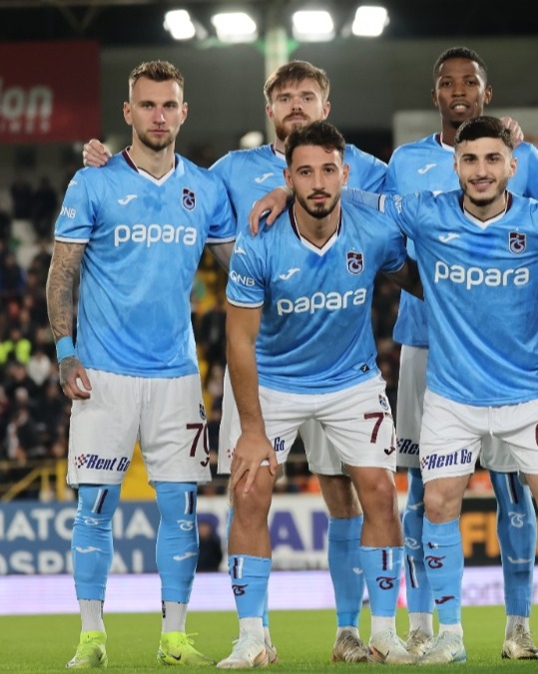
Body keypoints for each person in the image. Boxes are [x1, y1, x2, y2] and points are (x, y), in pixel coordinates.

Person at [82, 60, 386, 663]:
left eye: (307, 96)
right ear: (268, 109)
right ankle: (256, 635)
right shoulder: (227, 172)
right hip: (263, 365)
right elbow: (167, 182)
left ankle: (350, 631)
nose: (296, 105)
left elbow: (410, 209)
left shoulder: (364, 168)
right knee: (248, 494)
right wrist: (108, 166)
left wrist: (290, 190)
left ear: (325, 107)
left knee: (346, 496)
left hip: (340, 362)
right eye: (284, 97)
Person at [48, 60, 236, 668]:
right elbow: (62, 272)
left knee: (181, 507)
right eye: (148, 105)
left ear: (184, 112)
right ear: (128, 112)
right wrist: (64, 351)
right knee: (95, 506)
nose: (159, 115)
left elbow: (240, 267)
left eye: (169, 104)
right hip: (102, 373)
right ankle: (91, 636)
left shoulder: (206, 189)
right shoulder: (93, 182)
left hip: (176, 375)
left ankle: (174, 636)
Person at [217, 121, 415, 668]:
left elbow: (420, 282)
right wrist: (252, 430)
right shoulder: (258, 240)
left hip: (351, 380)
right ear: (288, 178)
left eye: (328, 170)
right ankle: (252, 638)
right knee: (249, 491)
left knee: (379, 492)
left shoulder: (374, 231)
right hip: (274, 380)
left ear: (345, 174)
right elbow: (238, 340)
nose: (318, 182)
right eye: (305, 172)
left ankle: (383, 634)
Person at [383, 46, 538, 660]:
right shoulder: (405, 162)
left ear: (487, 92)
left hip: (504, 358)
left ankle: (519, 626)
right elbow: (380, 239)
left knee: (513, 488)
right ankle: (423, 624)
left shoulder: (524, 159)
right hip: (424, 344)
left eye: (470, 82)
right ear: (434, 94)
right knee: (422, 489)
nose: (459, 91)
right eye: (447, 83)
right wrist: (441, 288)